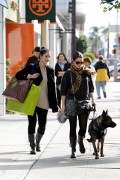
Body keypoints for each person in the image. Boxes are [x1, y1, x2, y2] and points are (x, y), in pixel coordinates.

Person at [16, 48, 58, 155]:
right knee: (32, 123)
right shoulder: (32, 67)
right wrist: (30, 76)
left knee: (43, 125)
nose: (48, 59)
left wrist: (54, 104)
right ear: (40, 57)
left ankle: (38, 142)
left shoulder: (50, 70)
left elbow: (52, 88)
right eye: (46, 56)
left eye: (49, 57)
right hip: (32, 100)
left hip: (44, 101)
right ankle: (32, 147)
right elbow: (18, 76)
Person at [60, 51, 96, 158]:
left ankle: (80, 140)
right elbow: (63, 92)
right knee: (73, 126)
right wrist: (63, 106)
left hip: (84, 102)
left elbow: (91, 88)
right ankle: (73, 149)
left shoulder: (87, 72)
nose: (80, 64)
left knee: (83, 127)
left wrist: (93, 100)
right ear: (73, 61)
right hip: (71, 102)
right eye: (78, 62)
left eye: (81, 62)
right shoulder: (68, 73)